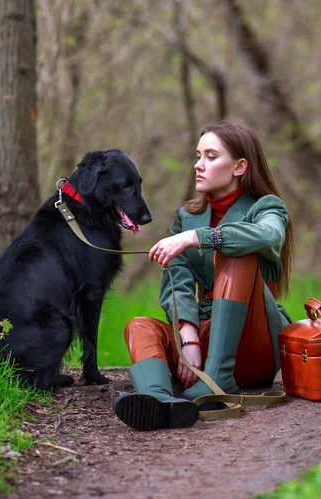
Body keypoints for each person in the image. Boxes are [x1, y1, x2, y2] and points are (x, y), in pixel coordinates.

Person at [113, 121, 294, 431]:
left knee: (235, 252)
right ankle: (160, 402)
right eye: (198, 156)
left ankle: (218, 380)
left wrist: (198, 237)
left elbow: (268, 236)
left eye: (211, 156)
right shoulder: (187, 216)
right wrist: (187, 333)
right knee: (140, 327)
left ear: (240, 166)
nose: (198, 165)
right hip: (208, 333)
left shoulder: (267, 207)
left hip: (254, 341)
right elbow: (178, 282)